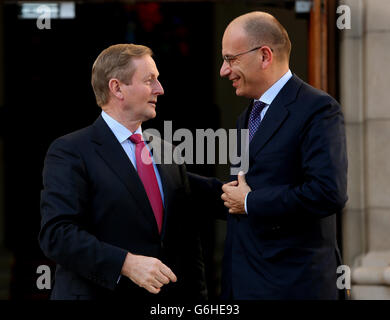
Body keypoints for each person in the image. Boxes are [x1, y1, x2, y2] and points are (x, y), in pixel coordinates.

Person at [190, 11, 348, 300]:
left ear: (264, 56)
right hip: (243, 285)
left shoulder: (318, 109)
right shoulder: (246, 117)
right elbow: (235, 197)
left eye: (230, 59)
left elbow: (328, 192)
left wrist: (251, 201)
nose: (223, 71)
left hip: (293, 288)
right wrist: (167, 174)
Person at [39, 44, 207, 300]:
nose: (160, 89)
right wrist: (126, 264)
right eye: (150, 80)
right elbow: (58, 235)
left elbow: (188, 245)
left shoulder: (167, 152)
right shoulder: (70, 151)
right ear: (117, 88)